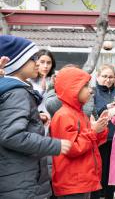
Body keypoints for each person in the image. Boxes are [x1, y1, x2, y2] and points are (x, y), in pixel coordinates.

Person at [0, 35, 71, 199]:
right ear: (17, 62)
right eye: (33, 59)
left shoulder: (15, 90)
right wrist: (54, 145)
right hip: (20, 180)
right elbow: (11, 135)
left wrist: (36, 118)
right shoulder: (17, 93)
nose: (38, 63)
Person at [50, 67, 109, 198]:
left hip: (82, 181)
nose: (91, 90)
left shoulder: (79, 113)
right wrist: (94, 131)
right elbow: (72, 149)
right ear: (72, 88)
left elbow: (92, 144)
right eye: (86, 86)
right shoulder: (64, 115)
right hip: (72, 183)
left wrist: (101, 127)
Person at [91, 64, 115, 199]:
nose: (108, 79)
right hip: (99, 139)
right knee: (99, 171)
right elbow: (90, 112)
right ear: (98, 76)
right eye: (104, 76)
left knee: (112, 173)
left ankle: (110, 194)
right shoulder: (92, 92)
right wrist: (106, 108)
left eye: (111, 77)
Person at [29, 49, 56, 113]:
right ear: (36, 62)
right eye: (42, 62)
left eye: (49, 63)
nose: (45, 66)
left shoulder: (54, 80)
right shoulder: (28, 81)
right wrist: (42, 90)